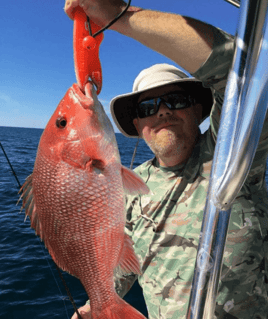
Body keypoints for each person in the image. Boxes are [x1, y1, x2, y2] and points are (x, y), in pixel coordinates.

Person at [65, 1, 268, 318]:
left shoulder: (234, 153)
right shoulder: (129, 188)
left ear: (199, 110)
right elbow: (122, 268)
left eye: (175, 100)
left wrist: (119, 16)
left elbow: (241, 70)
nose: (162, 111)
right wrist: (95, 306)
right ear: (137, 125)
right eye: (148, 107)